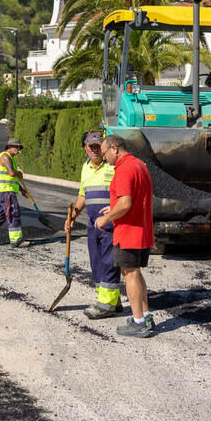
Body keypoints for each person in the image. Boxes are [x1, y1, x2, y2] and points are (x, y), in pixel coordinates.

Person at [94, 134, 156, 338]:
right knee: (136, 273)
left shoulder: (123, 168)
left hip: (129, 232)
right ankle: (145, 316)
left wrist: (107, 218)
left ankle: (138, 322)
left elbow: (126, 203)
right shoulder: (139, 165)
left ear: (114, 148)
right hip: (141, 230)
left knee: (130, 274)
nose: (104, 158)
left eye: (104, 153)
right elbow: (133, 199)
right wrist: (112, 207)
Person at [64, 131, 122, 319]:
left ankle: (106, 306)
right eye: (91, 146)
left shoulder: (113, 166)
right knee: (96, 263)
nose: (95, 150)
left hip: (111, 224)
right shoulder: (86, 167)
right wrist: (73, 216)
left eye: (98, 146)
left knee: (109, 263)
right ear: (85, 148)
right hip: (92, 225)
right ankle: (110, 300)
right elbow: (83, 194)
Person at [0, 138, 30, 248]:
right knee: (13, 213)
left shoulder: (10, 158)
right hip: (5, 191)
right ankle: (16, 240)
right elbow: (12, 173)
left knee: (2, 214)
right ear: (9, 147)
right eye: (16, 147)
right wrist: (19, 173)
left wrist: (21, 190)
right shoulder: (5, 157)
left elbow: (11, 178)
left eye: (19, 147)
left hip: (1, 190)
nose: (18, 149)